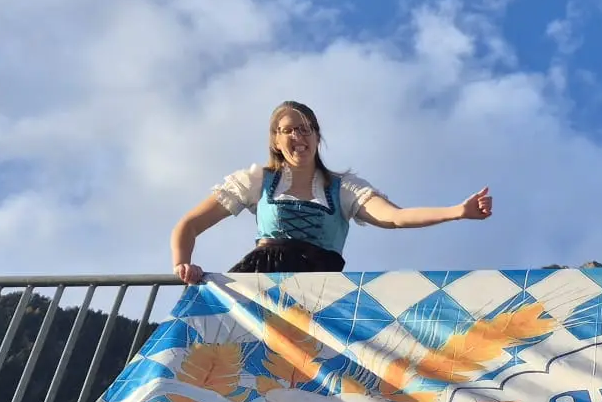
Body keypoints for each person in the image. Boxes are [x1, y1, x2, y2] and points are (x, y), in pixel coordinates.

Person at [170, 101, 493, 282]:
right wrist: (182, 264)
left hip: (319, 287)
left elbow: (394, 217)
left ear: (316, 135)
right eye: (288, 130)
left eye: (305, 127)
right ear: (276, 142)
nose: (298, 135)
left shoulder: (344, 188)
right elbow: (190, 225)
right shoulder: (258, 179)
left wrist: (457, 212)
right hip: (259, 284)